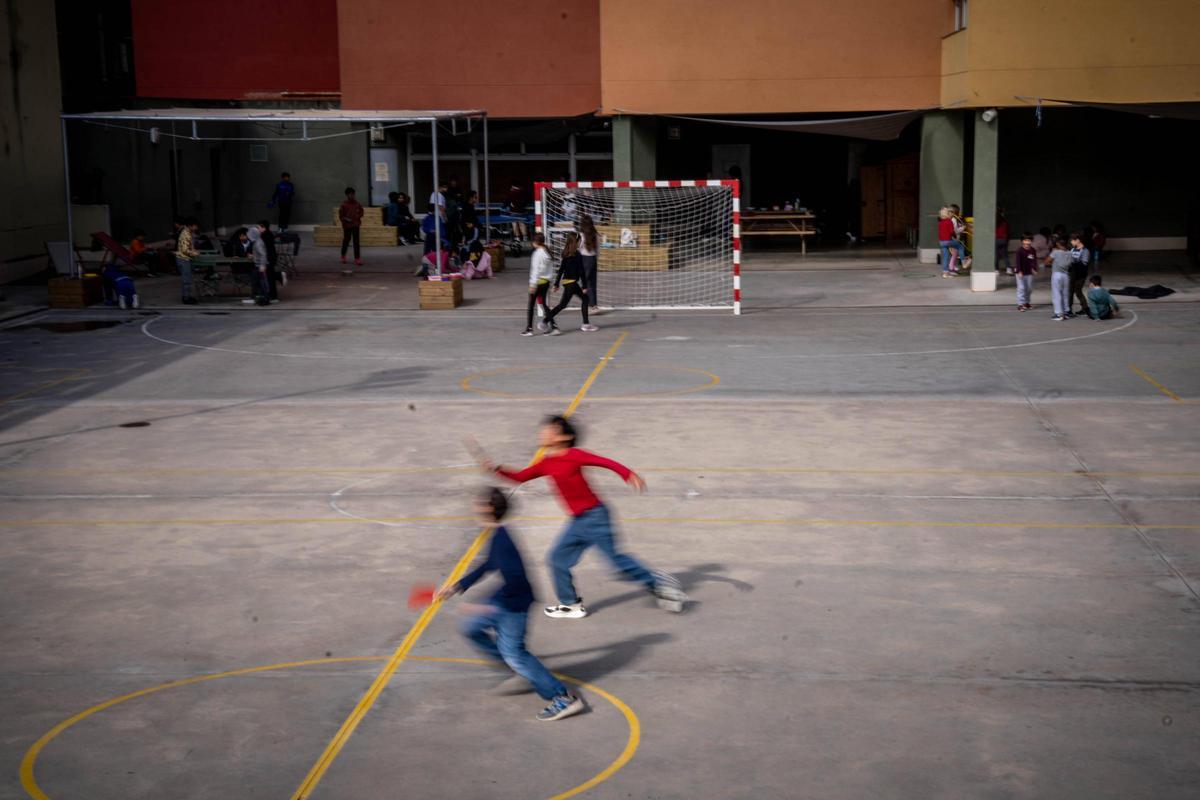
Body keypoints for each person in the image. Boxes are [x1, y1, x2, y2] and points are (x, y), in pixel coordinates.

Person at [480, 416, 685, 619]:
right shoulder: (547, 463)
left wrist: (628, 474)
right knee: (557, 559)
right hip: (578, 522)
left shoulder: (575, 455)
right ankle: (571, 605)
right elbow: (520, 477)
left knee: (617, 562)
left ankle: (658, 584)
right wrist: (497, 469)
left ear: (564, 437)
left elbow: (605, 462)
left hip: (595, 517)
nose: (543, 432)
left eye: (549, 429)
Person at [436, 487, 586, 722]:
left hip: (514, 605)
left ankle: (564, 697)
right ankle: (519, 673)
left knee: (514, 653)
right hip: (504, 599)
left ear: (489, 508)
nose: (475, 506)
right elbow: (488, 564)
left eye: (479, 503)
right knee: (471, 628)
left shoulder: (503, 540)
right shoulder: (498, 534)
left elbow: (515, 580)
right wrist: (457, 586)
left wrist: (483, 607)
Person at [543, 232, 597, 334]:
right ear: (576, 242)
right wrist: (584, 286)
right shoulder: (578, 255)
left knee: (574, 302)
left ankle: (585, 323)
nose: (581, 243)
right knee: (568, 303)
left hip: (567, 282)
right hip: (571, 284)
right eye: (580, 241)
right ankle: (585, 324)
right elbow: (581, 271)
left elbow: (561, 270)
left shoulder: (566, 253)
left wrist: (556, 284)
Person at [522, 233, 554, 336]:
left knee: (531, 306)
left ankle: (529, 328)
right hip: (546, 282)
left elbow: (535, 270)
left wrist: (532, 284)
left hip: (538, 282)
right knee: (544, 304)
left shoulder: (537, 254)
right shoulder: (547, 252)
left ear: (535, 242)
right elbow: (550, 269)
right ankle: (552, 326)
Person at [1045, 236, 1073, 321]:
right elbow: (1071, 264)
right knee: (1065, 294)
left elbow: (1046, 261)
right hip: (1066, 275)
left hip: (1057, 274)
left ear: (1057, 243)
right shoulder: (1069, 253)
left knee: (1056, 294)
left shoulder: (1055, 252)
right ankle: (1066, 312)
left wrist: (1054, 263)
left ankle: (1059, 314)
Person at [175, 216, 200, 305]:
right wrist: (195, 253)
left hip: (184, 259)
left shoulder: (188, 232)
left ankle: (187, 296)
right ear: (191, 226)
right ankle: (186, 297)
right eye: (195, 226)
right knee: (186, 280)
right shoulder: (185, 234)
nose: (197, 228)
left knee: (187, 279)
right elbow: (185, 250)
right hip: (183, 259)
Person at [937, 207, 968, 277]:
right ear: (947, 214)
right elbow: (952, 232)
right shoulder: (949, 221)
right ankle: (964, 262)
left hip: (941, 242)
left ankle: (945, 273)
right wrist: (955, 237)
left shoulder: (940, 223)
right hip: (948, 241)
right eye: (949, 213)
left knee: (945, 257)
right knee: (960, 246)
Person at [1067, 232, 1092, 318]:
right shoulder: (1072, 249)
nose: (1071, 242)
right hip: (1072, 274)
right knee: (1070, 292)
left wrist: (1073, 260)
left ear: (1078, 240)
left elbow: (1084, 263)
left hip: (1080, 275)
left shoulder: (1085, 250)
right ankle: (1068, 309)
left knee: (1078, 291)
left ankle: (1085, 308)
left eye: (1072, 240)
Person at [579, 214, 600, 314]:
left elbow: (578, 249)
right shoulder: (595, 235)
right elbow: (598, 249)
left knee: (585, 283)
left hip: (584, 259)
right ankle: (593, 305)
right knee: (592, 283)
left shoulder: (581, 235)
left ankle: (589, 305)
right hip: (593, 259)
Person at [339, 187, 364, 267]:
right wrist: (346, 219)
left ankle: (357, 258)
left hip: (356, 225)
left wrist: (358, 216)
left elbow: (361, 212)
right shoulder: (344, 205)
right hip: (347, 226)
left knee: (356, 242)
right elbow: (341, 216)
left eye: (353, 194)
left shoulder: (357, 204)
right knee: (346, 240)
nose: (352, 196)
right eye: (350, 194)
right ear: (347, 195)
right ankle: (343, 256)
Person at [1014, 232, 1038, 311]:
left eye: (1029, 240)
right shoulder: (1019, 251)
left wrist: (1034, 268)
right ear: (1022, 241)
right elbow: (1017, 262)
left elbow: (1034, 260)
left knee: (1029, 288)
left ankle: (1026, 302)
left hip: (1029, 273)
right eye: (1025, 240)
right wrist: (1019, 271)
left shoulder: (1033, 250)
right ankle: (1020, 304)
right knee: (1021, 288)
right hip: (1021, 273)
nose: (1027, 242)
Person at [256, 220, 280, 303]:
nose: (257, 229)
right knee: (270, 277)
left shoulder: (264, 236)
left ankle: (272, 296)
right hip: (271, 258)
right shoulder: (268, 234)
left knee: (269, 278)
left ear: (263, 227)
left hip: (268, 259)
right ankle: (272, 295)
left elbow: (264, 251)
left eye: (258, 227)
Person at [246, 226, 270, 306]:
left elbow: (263, 254)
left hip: (259, 266)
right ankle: (259, 297)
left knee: (260, 283)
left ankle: (262, 298)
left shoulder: (258, 243)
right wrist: (253, 256)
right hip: (258, 265)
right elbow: (260, 254)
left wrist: (262, 265)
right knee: (259, 282)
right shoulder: (257, 242)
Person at [995, 209, 1010, 274]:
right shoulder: (1005, 221)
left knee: (996, 256)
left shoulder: (994, 221)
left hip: (996, 240)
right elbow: (1008, 232)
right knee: (1005, 255)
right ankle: (1008, 269)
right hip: (1004, 240)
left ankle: (996, 270)